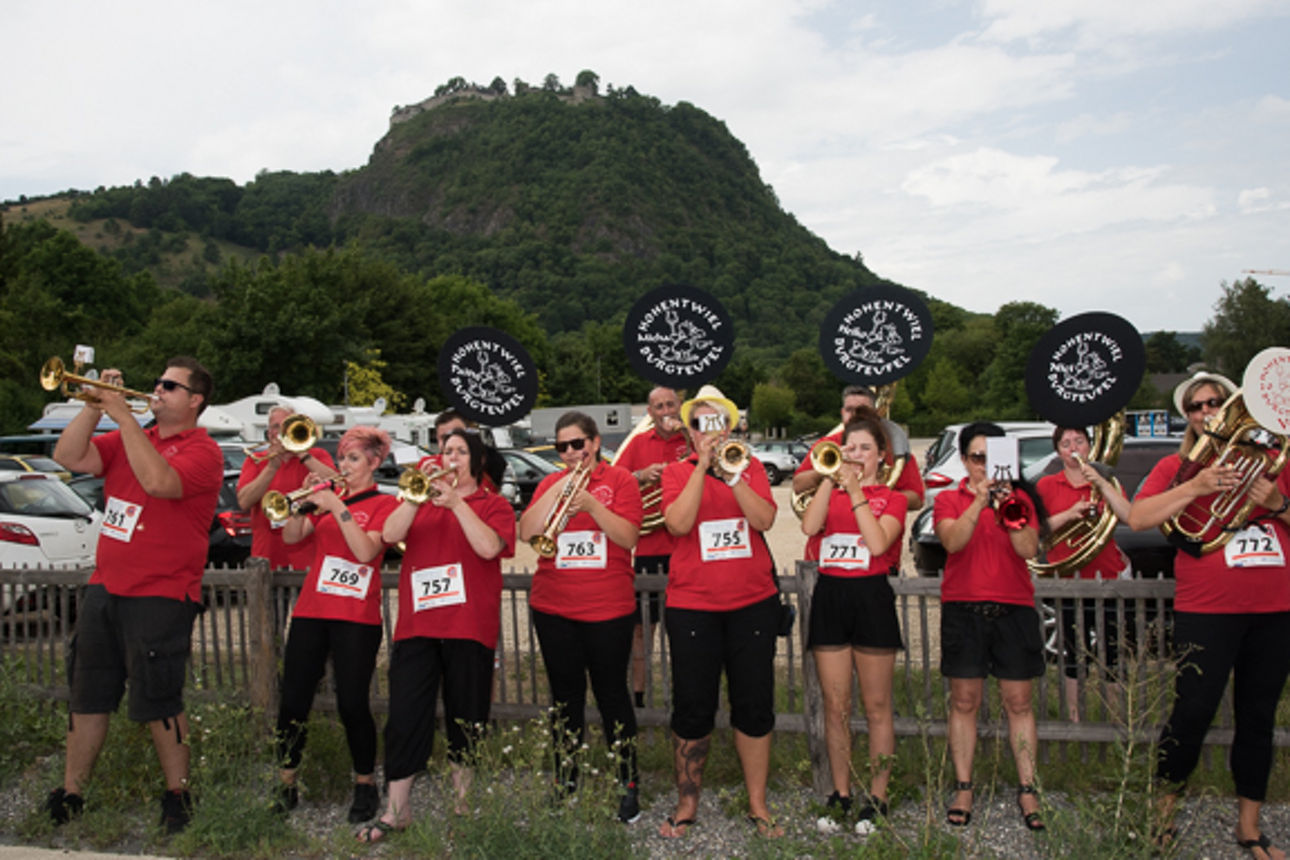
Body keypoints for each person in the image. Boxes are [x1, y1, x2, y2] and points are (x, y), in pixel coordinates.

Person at [45, 357, 222, 834]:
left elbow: (159, 482)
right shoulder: (130, 437)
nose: (158, 390)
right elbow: (67, 457)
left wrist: (124, 416)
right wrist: (92, 407)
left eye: (170, 385)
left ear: (195, 400)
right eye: (158, 382)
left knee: (160, 698)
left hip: (162, 591)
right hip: (106, 586)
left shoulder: (203, 451)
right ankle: (72, 792)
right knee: (87, 695)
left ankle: (178, 794)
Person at [1127, 370, 1290, 859]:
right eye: (1196, 406)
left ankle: (1249, 827)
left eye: (1215, 401)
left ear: (1233, 407)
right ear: (1189, 418)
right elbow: (1138, 518)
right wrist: (1194, 487)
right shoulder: (1174, 468)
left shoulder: (1276, 461)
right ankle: (1162, 822)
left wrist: (1279, 503)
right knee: (1191, 714)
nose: (1207, 411)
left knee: (1258, 718)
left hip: (1276, 609)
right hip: (1207, 610)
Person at [358, 428, 515, 841]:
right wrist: (414, 497)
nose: (451, 458)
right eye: (447, 450)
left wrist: (458, 503)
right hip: (418, 626)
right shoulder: (420, 499)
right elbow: (389, 536)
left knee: (466, 715)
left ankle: (463, 804)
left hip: (469, 627)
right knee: (406, 715)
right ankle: (396, 810)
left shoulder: (493, 504)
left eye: (462, 452)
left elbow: (487, 548)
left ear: (477, 462)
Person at [656, 385, 782, 838]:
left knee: (753, 704)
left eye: (715, 422)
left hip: (752, 605)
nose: (707, 431)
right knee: (693, 706)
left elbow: (764, 520)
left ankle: (757, 803)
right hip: (693, 608)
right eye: (698, 424)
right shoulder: (676, 471)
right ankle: (686, 804)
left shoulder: (751, 471)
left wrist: (732, 475)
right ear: (689, 433)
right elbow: (679, 523)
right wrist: (701, 467)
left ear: (728, 427)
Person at [518, 412, 644, 823]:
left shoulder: (621, 480)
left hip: (608, 609)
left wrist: (591, 503)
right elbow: (526, 533)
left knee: (612, 696)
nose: (571, 452)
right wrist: (556, 498)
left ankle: (628, 781)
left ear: (594, 443)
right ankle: (565, 780)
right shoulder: (550, 482)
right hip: (554, 608)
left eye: (578, 444)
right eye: (563, 447)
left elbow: (627, 537)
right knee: (564, 699)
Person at [273, 426, 399, 823]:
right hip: (312, 610)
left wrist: (336, 506)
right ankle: (286, 781)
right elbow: (292, 537)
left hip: (356, 616)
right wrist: (303, 505)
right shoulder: (330, 502)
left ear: (374, 463)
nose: (344, 466)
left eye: (354, 459)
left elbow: (365, 551)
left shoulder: (386, 503)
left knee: (351, 702)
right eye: (342, 458)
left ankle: (364, 782)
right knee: (293, 699)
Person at [933, 422, 1048, 832]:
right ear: (964, 461)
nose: (984, 466)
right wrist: (978, 502)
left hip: (1013, 607)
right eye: (976, 458)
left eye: (991, 458)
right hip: (964, 607)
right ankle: (964, 785)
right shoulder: (949, 498)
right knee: (964, 701)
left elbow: (1028, 549)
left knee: (1019, 702)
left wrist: (1008, 508)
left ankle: (1028, 787)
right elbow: (952, 542)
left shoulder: (1021, 499)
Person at [800, 409, 907, 828]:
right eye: (850, 447)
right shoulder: (834, 489)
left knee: (877, 705)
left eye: (865, 448)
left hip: (871, 597)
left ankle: (876, 797)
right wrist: (830, 479)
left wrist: (858, 491)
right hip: (831, 594)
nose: (856, 454)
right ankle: (840, 793)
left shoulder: (893, 498)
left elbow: (878, 541)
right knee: (835, 705)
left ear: (881, 455)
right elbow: (810, 524)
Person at [1034, 425, 1133, 722]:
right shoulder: (1047, 485)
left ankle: (1115, 718)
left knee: (1113, 653)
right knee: (1072, 654)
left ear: (1089, 446)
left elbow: (1127, 515)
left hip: (1107, 577)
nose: (1073, 447)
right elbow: (1035, 530)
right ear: (1058, 451)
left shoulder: (1106, 479)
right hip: (1068, 581)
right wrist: (1070, 514)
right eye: (1066, 443)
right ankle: (1075, 717)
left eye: (1079, 441)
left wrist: (1102, 484)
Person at [611, 386, 689, 707]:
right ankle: (639, 698)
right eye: (659, 406)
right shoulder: (639, 443)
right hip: (650, 548)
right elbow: (614, 481)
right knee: (642, 631)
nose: (666, 410)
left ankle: (685, 694)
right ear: (650, 411)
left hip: (687, 547)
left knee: (686, 631)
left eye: (671, 404)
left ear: (680, 406)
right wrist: (641, 475)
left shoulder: (692, 439)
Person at [792, 384, 925, 515]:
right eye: (849, 410)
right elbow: (798, 486)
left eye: (862, 410)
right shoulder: (827, 445)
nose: (855, 415)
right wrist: (829, 470)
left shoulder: (893, 447)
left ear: (875, 413)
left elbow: (917, 499)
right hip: (832, 525)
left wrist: (878, 496)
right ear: (842, 413)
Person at [235, 405, 337, 570]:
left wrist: (302, 453)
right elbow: (244, 502)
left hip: (309, 557)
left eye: (287, 425)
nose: (281, 431)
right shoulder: (256, 461)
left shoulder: (316, 456)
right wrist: (271, 467)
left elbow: (338, 485)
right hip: (267, 556)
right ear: (269, 433)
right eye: (276, 426)